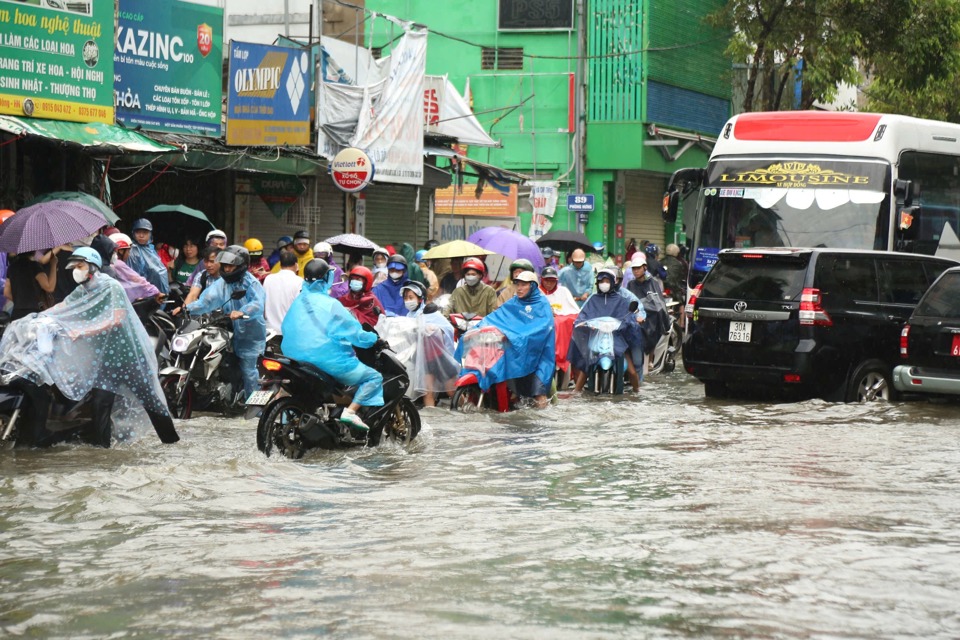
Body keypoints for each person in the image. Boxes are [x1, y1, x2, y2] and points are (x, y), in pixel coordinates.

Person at [0, 247, 179, 447]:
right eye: (74, 266)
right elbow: (63, 307)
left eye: (80, 266)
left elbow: (117, 319)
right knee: (100, 404)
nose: (76, 270)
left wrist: (83, 331)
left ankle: (171, 442)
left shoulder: (111, 287)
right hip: (104, 359)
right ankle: (102, 453)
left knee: (151, 401)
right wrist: (38, 320)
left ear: (92, 266)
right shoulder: (82, 290)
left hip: (128, 356)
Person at [281, 258, 383, 431]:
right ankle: (350, 412)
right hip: (328, 361)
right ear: (326, 278)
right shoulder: (332, 304)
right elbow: (356, 334)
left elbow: (286, 326)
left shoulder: (298, 301)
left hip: (294, 358)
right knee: (374, 377)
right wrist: (373, 340)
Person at [456, 270, 555, 408]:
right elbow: (496, 317)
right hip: (515, 350)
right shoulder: (514, 302)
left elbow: (542, 329)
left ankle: (542, 420)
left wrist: (515, 336)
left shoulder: (542, 304)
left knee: (538, 391)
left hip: (537, 355)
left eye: (523, 285)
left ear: (532, 286)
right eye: (517, 285)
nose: (519, 288)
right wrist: (476, 328)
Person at [183, 245, 266, 399]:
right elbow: (207, 301)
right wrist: (188, 308)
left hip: (249, 333)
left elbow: (258, 303)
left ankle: (256, 407)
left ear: (241, 265)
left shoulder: (251, 283)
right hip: (228, 329)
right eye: (225, 265)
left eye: (231, 266)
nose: (227, 269)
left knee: (249, 371)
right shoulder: (222, 283)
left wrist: (242, 311)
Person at [570, 267, 644, 393]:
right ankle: (576, 393)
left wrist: (627, 323)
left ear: (612, 282)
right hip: (597, 337)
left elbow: (629, 316)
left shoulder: (622, 299)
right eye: (601, 281)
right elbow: (582, 316)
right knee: (587, 366)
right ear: (597, 283)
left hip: (617, 339)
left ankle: (637, 391)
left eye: (607, 281)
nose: (604, 284)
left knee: (631, 371)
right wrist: (582, 323)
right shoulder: (593, 299)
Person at [400, 280, 458, 407]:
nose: (408, 300)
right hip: (423, 361)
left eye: (411, 297)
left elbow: (448, 329)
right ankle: (431, 420)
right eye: (405, 298)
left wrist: (435, 329)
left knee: (451, 391)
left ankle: (467, 410)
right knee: (427, 392)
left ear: (420, 299)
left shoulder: (429, 312)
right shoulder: (409, 316)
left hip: (439, 358)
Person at [626, 252, 670, 377]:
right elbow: (628, 301)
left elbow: (658, 302)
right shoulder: (631, 284)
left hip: (651, 316)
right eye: (634, 269)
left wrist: (647, 310)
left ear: (644, 268)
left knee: (651, 326)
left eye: (638, 268)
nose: (636, 271)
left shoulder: (653, 282)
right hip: (635, 315)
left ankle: (650, 358)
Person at [94, 233, 160, 303]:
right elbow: (137, 279)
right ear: (121, 251)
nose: (129, 254)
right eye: (128, 251)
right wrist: (155, 291)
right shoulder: (117, 264)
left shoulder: (97, 265)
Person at [4, 249, 59, 320]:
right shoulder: (34, 266)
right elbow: (49, 287)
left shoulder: (12, 267)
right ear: (33, 252)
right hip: (32, 313)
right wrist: (53, 265)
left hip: (17, 313)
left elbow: (6, 293)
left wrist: (20, 301)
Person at [262, 251, 302, 335]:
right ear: (296, 265)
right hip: (289, 332)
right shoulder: (299, 281)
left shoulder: (268, 279)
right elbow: (300, 309)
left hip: (269, 331)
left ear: (280, 265)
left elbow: (263, 305)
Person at [126, 219, 170, 295]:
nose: (141, 236)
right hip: (141, 292)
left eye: (145, 233)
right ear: (133, 233)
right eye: (138, 232)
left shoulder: (150, 248)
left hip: (156, 291)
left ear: (150, 234)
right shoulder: (132, 250)